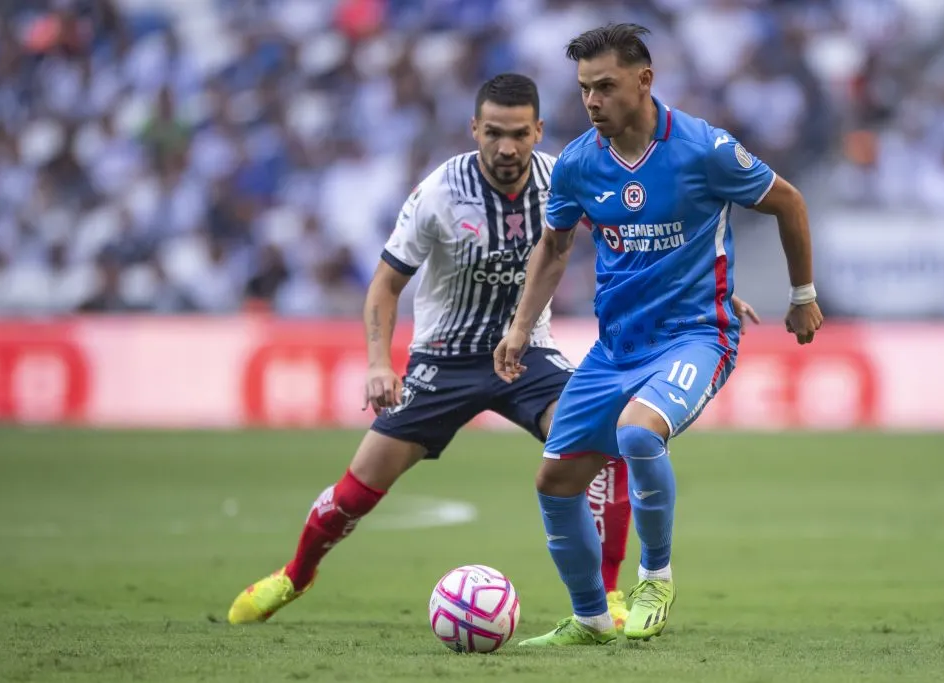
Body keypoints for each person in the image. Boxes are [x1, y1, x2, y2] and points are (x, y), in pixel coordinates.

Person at [226, 74, 725, 626]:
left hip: (528, 355)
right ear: (474, 129)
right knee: (359, 488)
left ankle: (607, 596)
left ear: (538, 130)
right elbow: (386, 284)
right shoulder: (440, 193)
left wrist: (704, 291)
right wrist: (378, 363)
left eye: (518, 134)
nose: (506, 147)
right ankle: (295, 575)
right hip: (444, 359)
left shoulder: (565, 177)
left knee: (604, 448)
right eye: (494, 133)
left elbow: (640, 235)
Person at [494, 24, 822, 647]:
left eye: (605, 86)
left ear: (644, 80)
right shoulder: (578, 164)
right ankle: (591, 618)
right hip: (616, 347)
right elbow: (554, 248)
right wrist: (519, 326)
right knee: (555, 483)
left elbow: (790, 203)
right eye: (585, 89)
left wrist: (802, 295)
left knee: (638, 432)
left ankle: (654, 580)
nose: (592, 101)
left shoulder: (704, 149)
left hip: (697, 336)